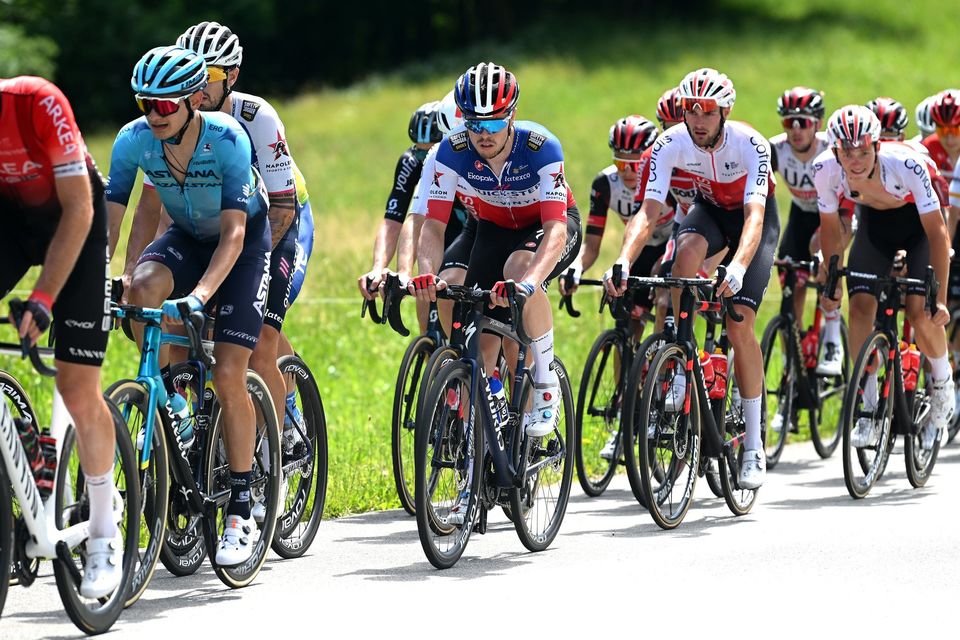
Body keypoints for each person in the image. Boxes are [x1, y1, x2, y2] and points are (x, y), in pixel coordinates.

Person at [105, 46, 271, 566]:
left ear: (194, 99)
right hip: (185, 236)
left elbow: (235, 233)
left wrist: (200, 297)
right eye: (144, 103)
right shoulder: (133, 140)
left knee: (227, 375)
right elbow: (112, 218)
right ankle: (170, 398)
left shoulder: (227, 139)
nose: (153, 115)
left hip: (240, 244)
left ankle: (243, 507)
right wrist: (100, 276)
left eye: (165, 106)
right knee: (143, 286)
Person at [411, 62, 582, 520]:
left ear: (512, 115)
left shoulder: (540, 147)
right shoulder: (453, 150)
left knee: (519, 267)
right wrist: (427, 273)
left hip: (544, 232)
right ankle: (478, 448)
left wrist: (530, 282)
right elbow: (433, 226)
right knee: (458, 301)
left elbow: (556, 229)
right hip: (492, 229)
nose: (482, 133)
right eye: (472, 121)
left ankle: (543, 379)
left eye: (492, 121)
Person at [606, 67, 778, 490]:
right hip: (710, 212)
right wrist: (624, 261)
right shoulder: (670, 142)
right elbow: (647, 212)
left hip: (752, 220)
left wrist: (737, 267)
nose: (697, 120)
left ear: (725, 111)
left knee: (739, 322)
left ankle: (753, 446)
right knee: (684, 255)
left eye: (706, 112)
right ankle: (684, 358)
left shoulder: (751, 143)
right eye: (690, 111)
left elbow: (754, 216)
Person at [174, 22, 315, 518]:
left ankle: (271, 457)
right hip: (221, 230)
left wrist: (238, 273)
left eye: (207, 74)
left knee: (259, 342)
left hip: (282, 221)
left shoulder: (257, 116)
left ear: (231, 76)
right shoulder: (177, 118)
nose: (196, 85)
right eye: (189, 72)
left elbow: (280, 210)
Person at [1, 75, 122, 598]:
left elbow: (79, 208)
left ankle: (103, 527)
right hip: (11, 220)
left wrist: (45, 297)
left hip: (76, 218)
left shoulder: (35, 102)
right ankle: (27, 463)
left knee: (76, 387)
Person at [814, 105, 954, 450]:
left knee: (921, 313)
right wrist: (831, 281)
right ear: (835, 152)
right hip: (875, 227)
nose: (855, 160)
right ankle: (869, 404)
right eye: (847, 152)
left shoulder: (906, 164)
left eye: (863, 150)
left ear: (876, 145)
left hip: (919, 226)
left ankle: (941, 381)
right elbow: (831, 230)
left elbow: (938, 234)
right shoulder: (825, 170)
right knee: (860, 307)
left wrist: (941, 297)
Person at [562, 115, 672, 330]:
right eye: (620, 163)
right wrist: (576, 267)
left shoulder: (667, 179)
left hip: (670, 248)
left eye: (636, 164)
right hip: (640, 251)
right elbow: (592, 245)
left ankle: (660, 356)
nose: (627, 172)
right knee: (626, 324)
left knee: (663, 300)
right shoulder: (605, 184)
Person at [770, 86, 851, 377]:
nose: (795, 130)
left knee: (823, 262)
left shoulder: (830, 148)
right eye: (788, 122)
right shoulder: (776, 150)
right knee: (791, 286)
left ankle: (831, 335)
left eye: (802, 122)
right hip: (801, 215)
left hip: (835, 213)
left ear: (817, 123)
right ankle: (792, 366)